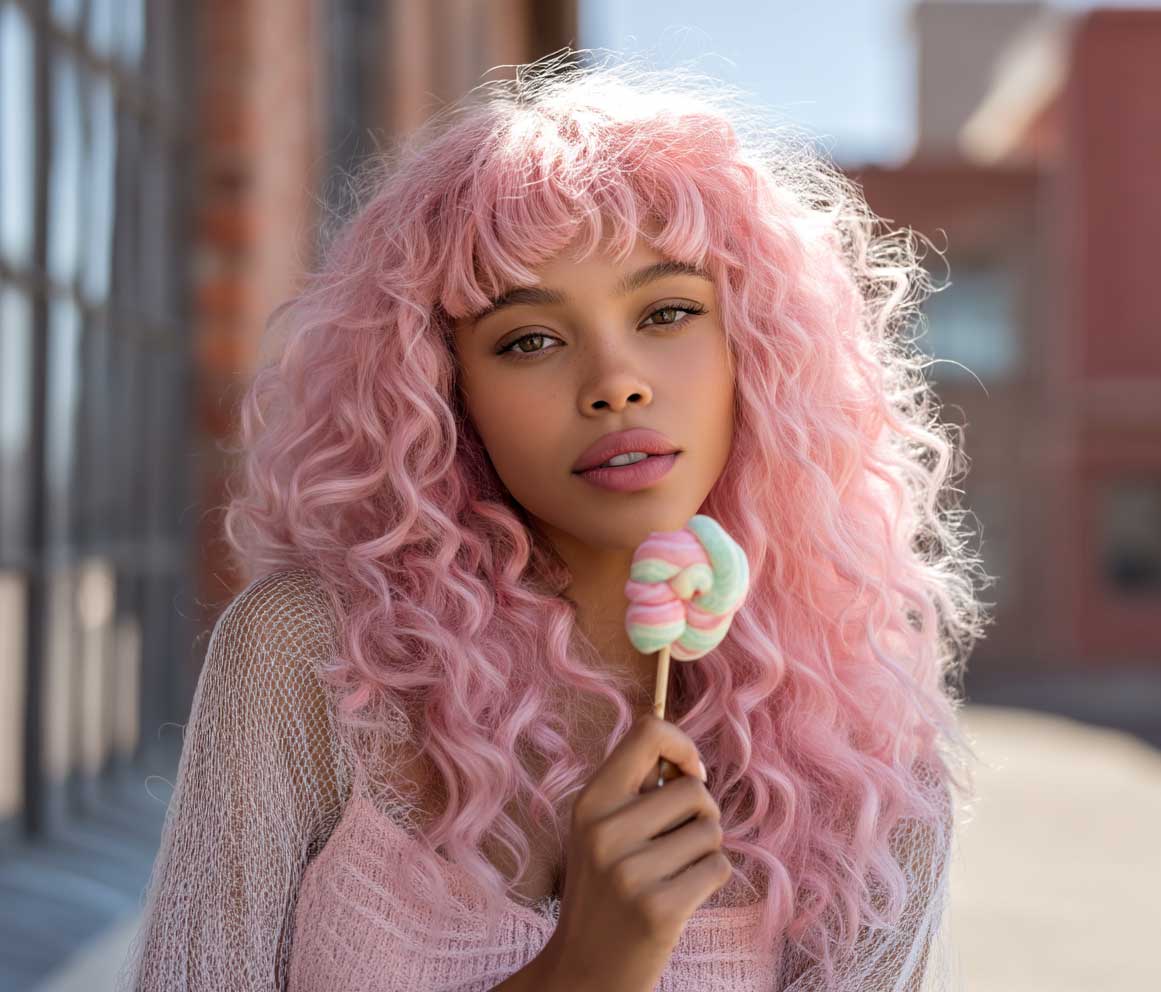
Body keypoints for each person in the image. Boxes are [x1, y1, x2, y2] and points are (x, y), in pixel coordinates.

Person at [116, 48, 990, 992]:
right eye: (530, 339)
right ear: (443, 389)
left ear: (759, 347)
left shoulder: (867, 757)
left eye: (667, 312)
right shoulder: (311, 661)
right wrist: (581, 969)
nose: (615, 382)